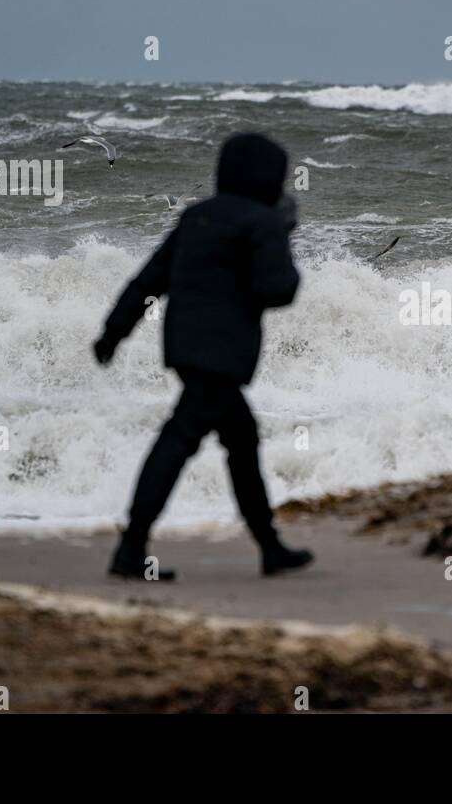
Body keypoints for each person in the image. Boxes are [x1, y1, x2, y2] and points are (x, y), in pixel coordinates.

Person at [92, 133, 312, 581]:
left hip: (185, 347)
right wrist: (281, 235)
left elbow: (148, 280)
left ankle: (269, 548)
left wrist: (112, 334)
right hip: (222, 355)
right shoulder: (262, 222)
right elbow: (279, 290)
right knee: (179, 441)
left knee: (241, 442)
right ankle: (131, 549)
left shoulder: (196, 217)